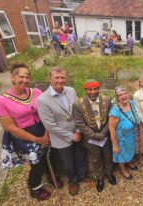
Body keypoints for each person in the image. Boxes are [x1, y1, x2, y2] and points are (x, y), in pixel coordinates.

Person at [0, 62, 62, 201]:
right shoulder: (1, 101)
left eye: (27, 77)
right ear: (12, 77)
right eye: (21, 77)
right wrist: (37, 140)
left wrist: (46, 134)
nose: (25, 80)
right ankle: (34, 187)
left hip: (43, 129)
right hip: (23, 135)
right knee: (36, 162)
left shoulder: (35, 92)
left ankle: (51, 174)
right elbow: (10, 128)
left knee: (50, 153)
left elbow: (46, 113)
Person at [37, 67, 89, 196]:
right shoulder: (42, 100)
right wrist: (71, 136)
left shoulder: (70, 91)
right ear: (50, 78)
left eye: (63, 78)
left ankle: (82, 175)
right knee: (67, 162)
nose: (60, 80)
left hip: (77, 131)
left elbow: (78, 111)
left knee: (80, 155)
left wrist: (78, 130)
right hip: (61, 137)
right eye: (57, 78)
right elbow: (50, 125)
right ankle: (72, 181)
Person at [72, 80, 116, 192]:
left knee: (107, 154)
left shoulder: (106, 100)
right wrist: (94, 135)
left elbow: (111, 117)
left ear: (99, 89)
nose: (93, 92)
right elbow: (80, 123)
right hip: (90, 138)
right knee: (95, 158)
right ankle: (100, 177)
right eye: (90, 89)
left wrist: (103, 133)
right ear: (85, 90)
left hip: (105, 135)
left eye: (95, 89)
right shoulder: (78, 104)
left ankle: (109, 173)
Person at [109, 86, 139, 180]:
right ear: (117, 98)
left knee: (130, 151)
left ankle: (129, 162)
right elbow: (111, 129)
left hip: (131, 135)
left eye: (125, 93)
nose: (123, 96)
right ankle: (123, 169)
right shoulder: (115, 112)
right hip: (121, 138)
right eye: (120, 95)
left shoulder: (131, 103)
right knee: (122, 155)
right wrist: (115, 145)